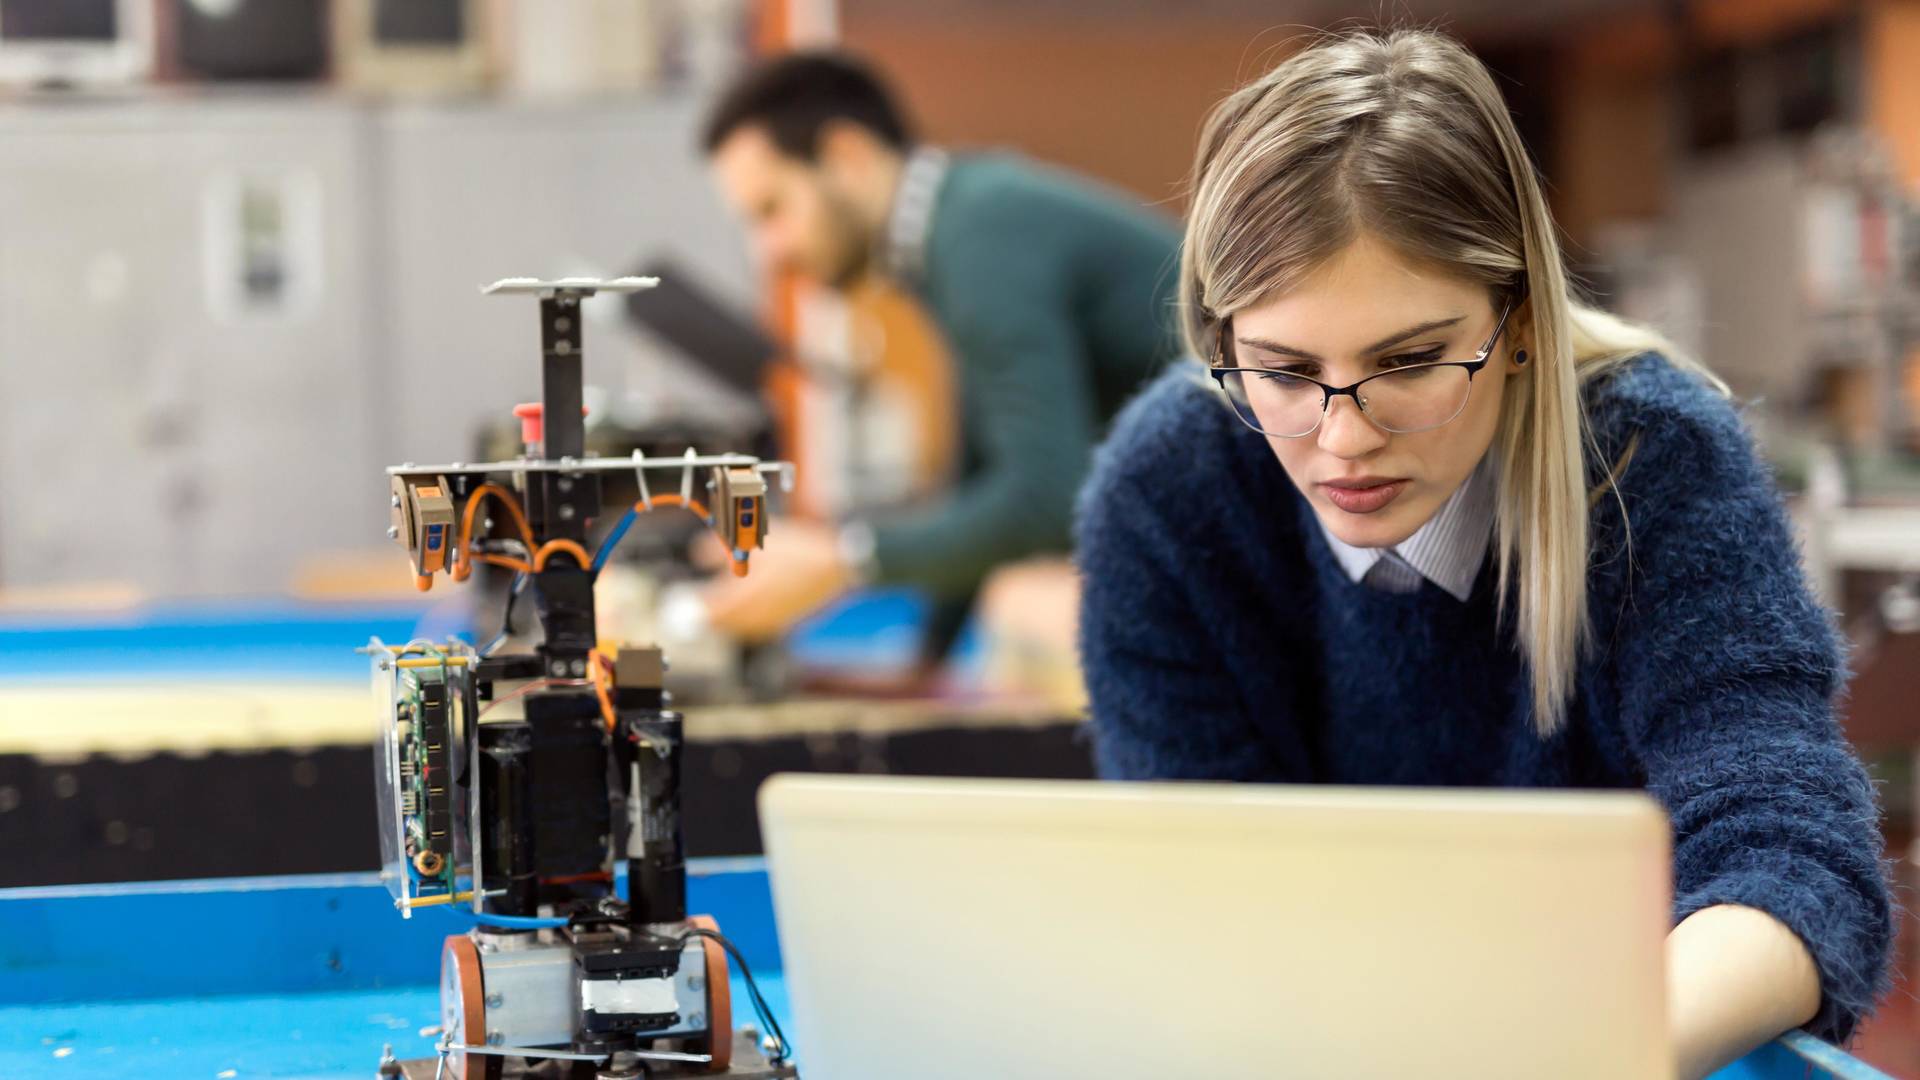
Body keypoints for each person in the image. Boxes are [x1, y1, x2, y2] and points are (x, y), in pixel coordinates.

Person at [1074, 28, 1891, 1079]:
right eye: (1280, 371)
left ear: (1520, 327)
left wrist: (1594, 1057)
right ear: (1220, 343)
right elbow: (1202, 905)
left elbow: (1793, 854)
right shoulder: (1168, 497)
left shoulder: (1651, 462)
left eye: (1409, 361)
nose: (1344, 436)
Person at [700, 52, 1180, 654]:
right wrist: (924, 665)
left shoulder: (980, 236)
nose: (767, 254)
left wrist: (844, 557)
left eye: (771, 210)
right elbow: (981, 470)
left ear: (845, 156)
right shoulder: (957, 225)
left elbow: (1045, 499)